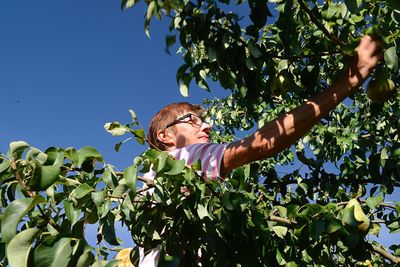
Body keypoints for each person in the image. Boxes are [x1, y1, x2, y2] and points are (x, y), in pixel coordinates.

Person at [118, 35, 382, 266]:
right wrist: (346, 83)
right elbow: (262, 142)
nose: (207, 126)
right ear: (165, 136)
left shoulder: (157, 179)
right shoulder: (180, 159)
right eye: (191, 120)